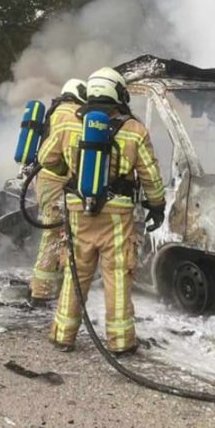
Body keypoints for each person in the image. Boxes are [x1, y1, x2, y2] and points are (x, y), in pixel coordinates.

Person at [38, 67, 166, 355]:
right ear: (118, 93)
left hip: (77, 210)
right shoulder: (134, 130)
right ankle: (121, 343)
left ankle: (63, 335)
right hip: (117, 216)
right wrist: (156, 206)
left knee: (75, 271)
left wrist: (67, 169)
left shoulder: (69, 123)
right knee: (117, 274)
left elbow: (47, 160)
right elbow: (151, 175)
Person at [29, 78, 87, 305]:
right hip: (55, 182)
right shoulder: (68, 113)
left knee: (61, 234)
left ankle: (50, 287)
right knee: (54, 235)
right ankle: (41, 293)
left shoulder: (58, 111)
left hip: (49, 180)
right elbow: (62, 153)